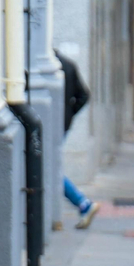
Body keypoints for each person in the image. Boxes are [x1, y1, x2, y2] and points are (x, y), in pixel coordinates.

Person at [56, 49, 99, 228]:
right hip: (62, 125)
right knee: (50, 167)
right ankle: (82, 204)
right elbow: (84, 95)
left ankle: (83, 203)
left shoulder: (50, 66)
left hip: (50, 125)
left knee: (49, 169)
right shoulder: (67, 64)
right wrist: (69, 115)